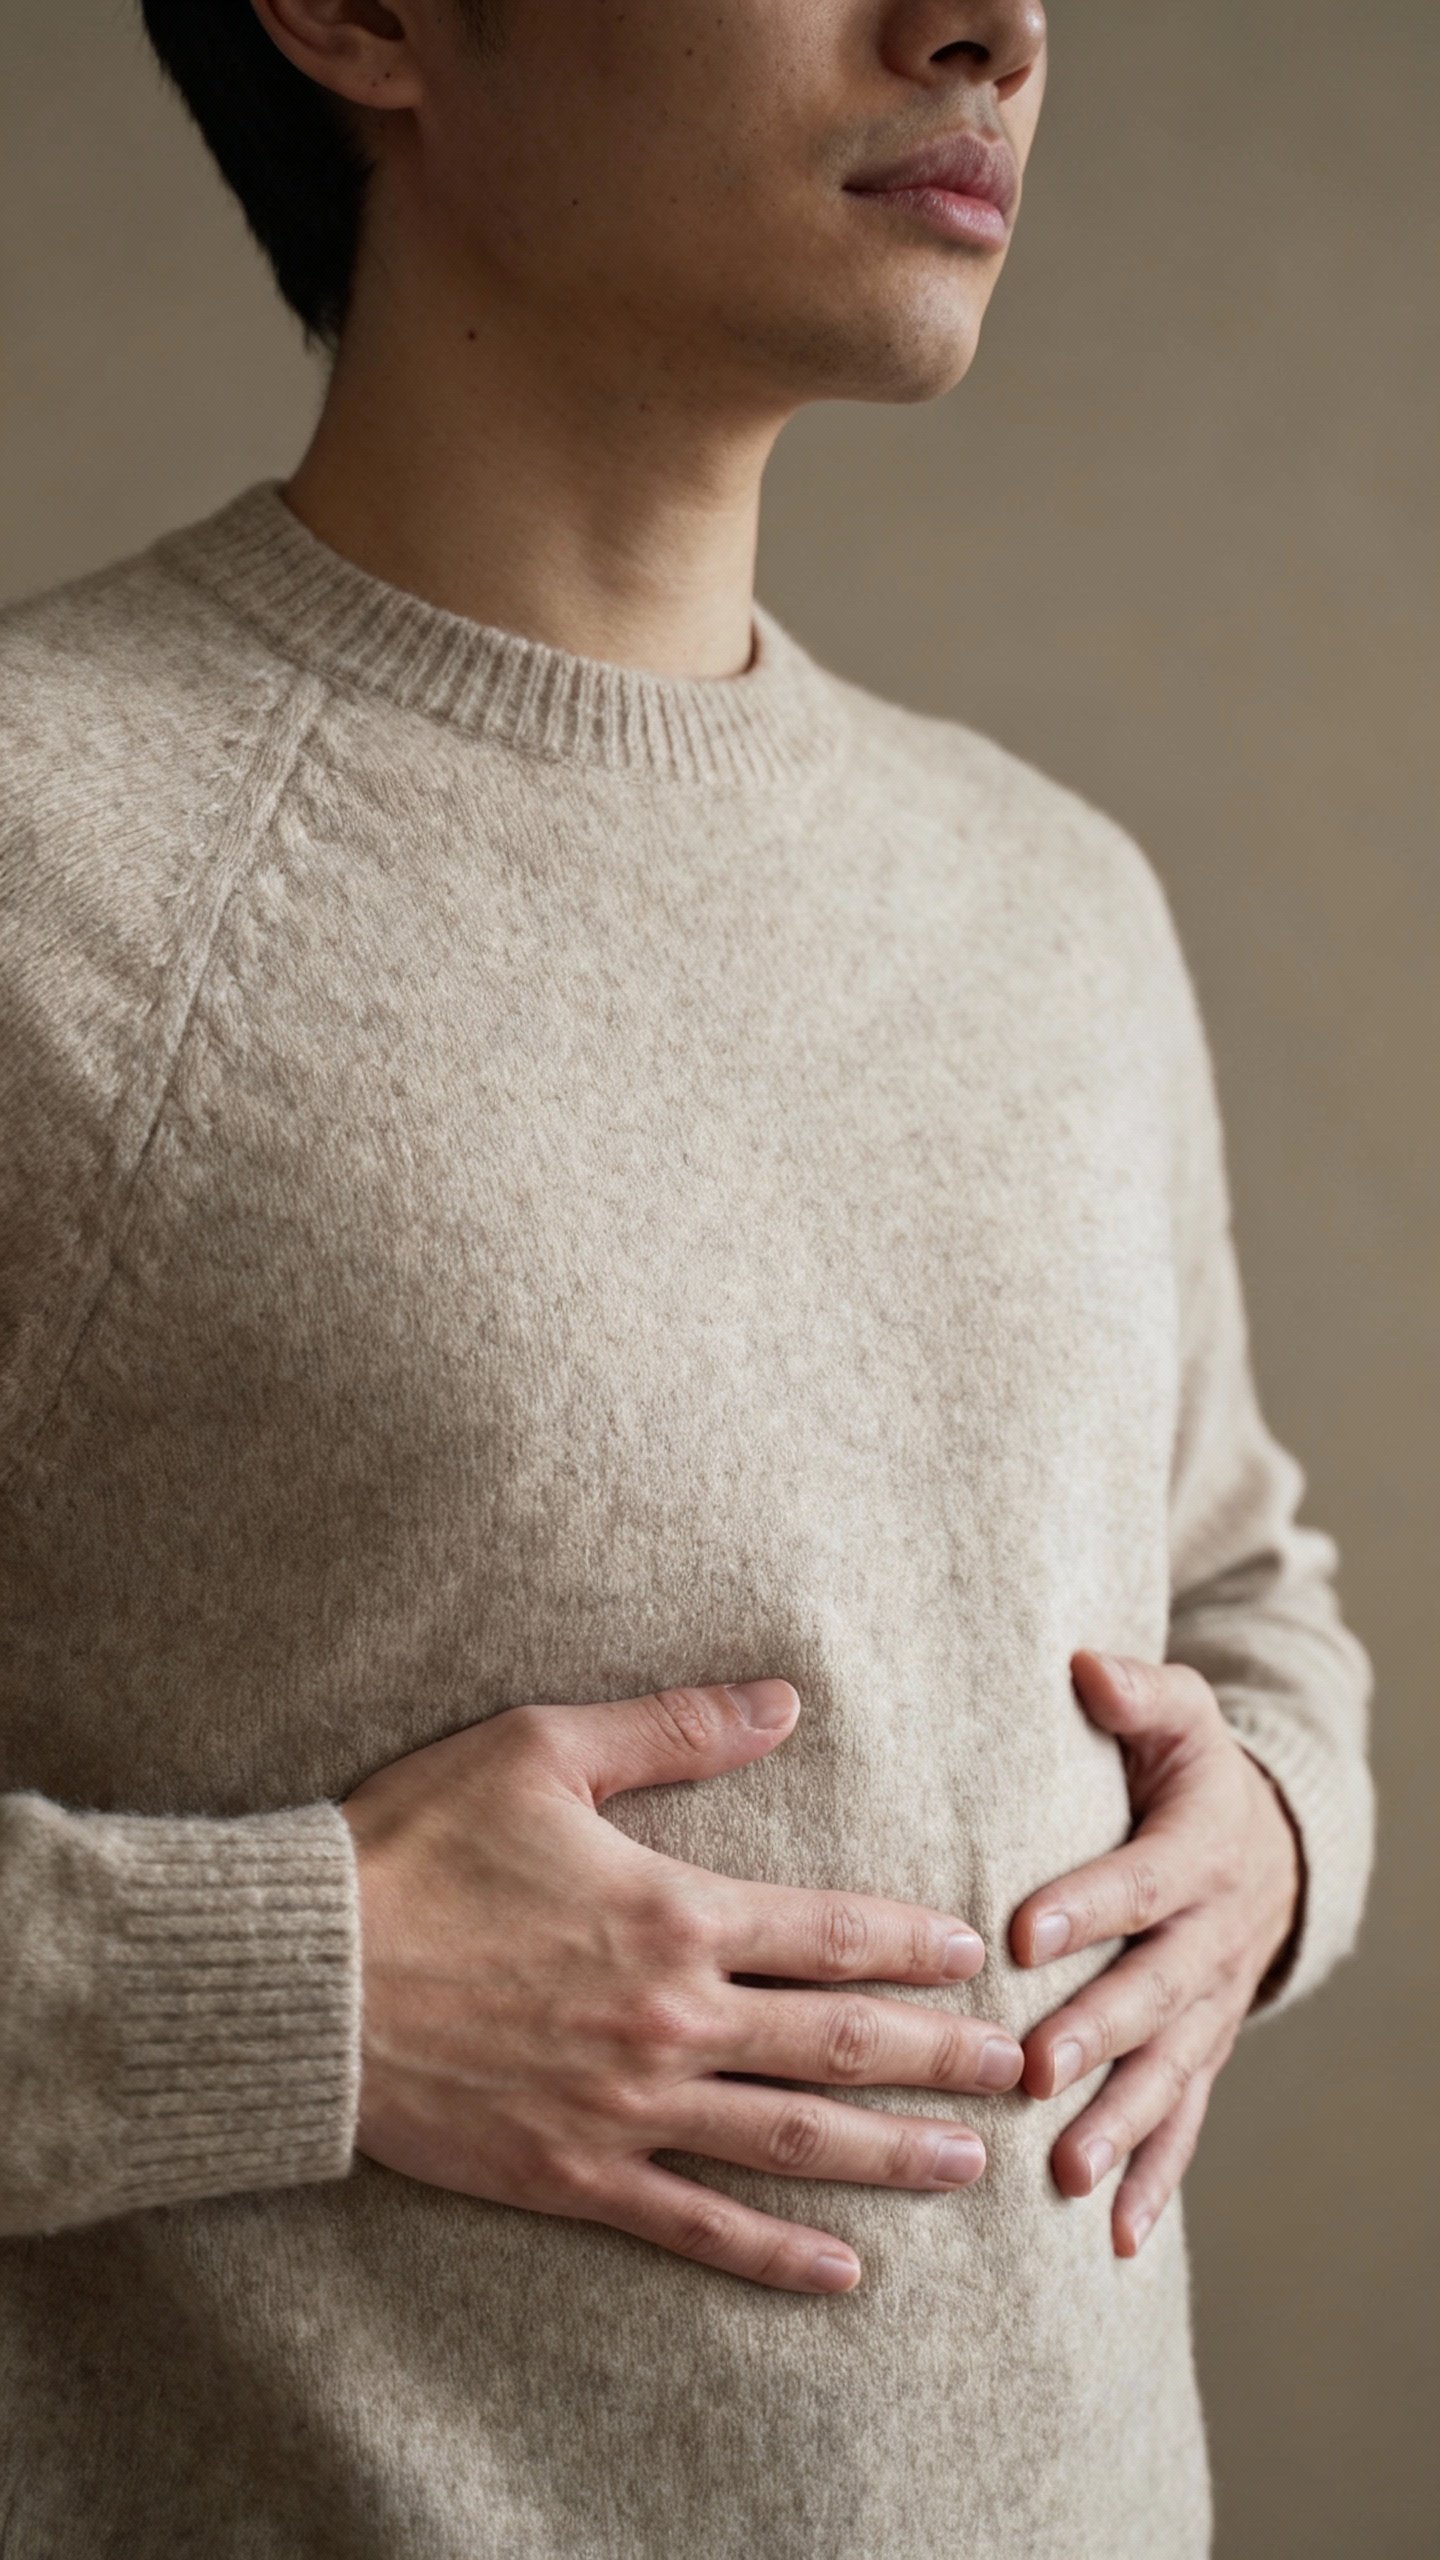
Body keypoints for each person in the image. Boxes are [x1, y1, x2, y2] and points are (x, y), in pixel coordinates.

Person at [0, 1, 1376, 2552]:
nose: (993, 23)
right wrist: (297, 1990)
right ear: (364, 16)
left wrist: (1280, 1829)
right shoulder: (46, 857)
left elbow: (1245, 1587)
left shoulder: (1058, 909)